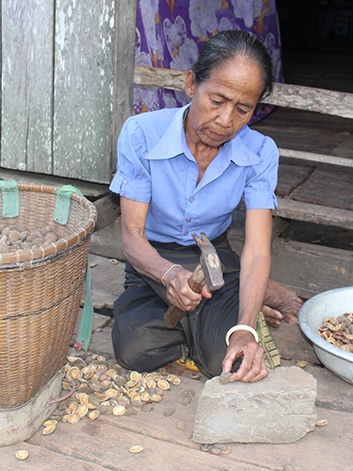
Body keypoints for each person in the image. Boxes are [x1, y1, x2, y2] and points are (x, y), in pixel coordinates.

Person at [109, 30, 302, 383]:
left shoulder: (260, 152)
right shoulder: (141, 134)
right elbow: (132, 236)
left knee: (227, 363)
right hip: (152, 259)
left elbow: (257, 250)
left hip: (213, 259)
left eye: (243, 109)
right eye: (217, 100)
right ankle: (254, 294)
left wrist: (244, 328)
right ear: (190, 84)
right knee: (135, 349)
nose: (226, 121)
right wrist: (169, 275)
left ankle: (246, 296)